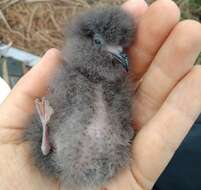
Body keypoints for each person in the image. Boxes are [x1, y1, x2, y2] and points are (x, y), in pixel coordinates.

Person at [0, 0, 201, 189]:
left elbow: (123, 120)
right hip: (64, 154)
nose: (118, 53)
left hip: (99, 157)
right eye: (100, 42)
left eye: (121, 47)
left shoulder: (117, 85)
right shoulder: (70, 76)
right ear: (83, 39)